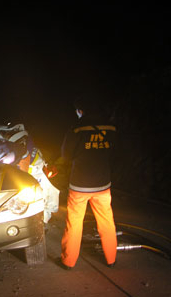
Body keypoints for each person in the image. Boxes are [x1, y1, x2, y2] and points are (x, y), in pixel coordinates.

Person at [59, 96, 117, 270]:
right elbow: (115, 152)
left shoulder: (76, 129)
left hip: (80, 185)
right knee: (107, 221)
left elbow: (66, 156)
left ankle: (68, 262)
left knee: (74, 223)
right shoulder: (111, 127)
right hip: (103, 184)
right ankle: (111, 259)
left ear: (80, 111)